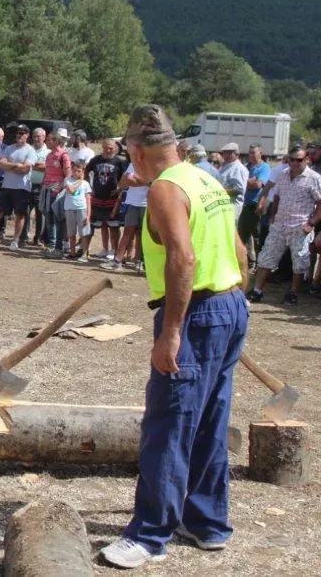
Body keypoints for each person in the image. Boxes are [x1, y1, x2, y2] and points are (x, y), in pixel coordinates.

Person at [101, 104, 247, 570]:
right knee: (208, 419)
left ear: (136, 150)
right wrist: (234, 303)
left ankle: (149, 534)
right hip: (228, 302)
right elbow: (241, 250)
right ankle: (207, 524)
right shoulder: (203, 179)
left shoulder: (166, 190)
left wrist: (172, 332)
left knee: (169, 422)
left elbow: (182, 259)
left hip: (196, 311)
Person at [247, 146, 321, 305]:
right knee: (266, 256)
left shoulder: (314, 178)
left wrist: (311, 223)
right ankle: (257, 290)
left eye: (298, 160)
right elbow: (278, 196)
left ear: (306, 159)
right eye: (291, 159)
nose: (294, 163)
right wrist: (273, 215)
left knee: (299, 261)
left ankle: (293, 292)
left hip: (300, 225)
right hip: (280, 224)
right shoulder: (282, 175)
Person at [0, 124, 37, 251]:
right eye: (18, 133)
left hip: (22, 188)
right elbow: (1, 164)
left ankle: (15, 241)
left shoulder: (30, 151)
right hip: (7, 186)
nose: (19, 135)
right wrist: (17, 165)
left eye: (22, 133)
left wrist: (11, 166)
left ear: (27, 135)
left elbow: (26, 169)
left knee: (20, 215)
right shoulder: (9, 148)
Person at [102, 161, 148, 271]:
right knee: (128, 233)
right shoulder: (133, 163)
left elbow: (153, 182)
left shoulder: (151, 161)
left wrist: (134, 180)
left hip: (147, 203)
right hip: (132, 202)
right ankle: (117, 261)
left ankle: (139, 261)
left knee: (143, 234)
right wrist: (144, 181)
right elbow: (123, 182)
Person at [86, 140, 127, 259]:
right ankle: (105, 249)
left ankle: (114, 250)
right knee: (102, 224)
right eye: (106, 148)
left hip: (113, 198)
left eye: (111, 148)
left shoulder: (120, 161)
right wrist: (88, 186)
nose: (108, 150)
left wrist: (120, 188)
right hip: (98, 197)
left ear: (115, 148)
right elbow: (86, 170)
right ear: (102, 147)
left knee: (114, 225)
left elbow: (126, 176)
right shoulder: (96, 160)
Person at [238, 143, 270, 271]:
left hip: (256, 206)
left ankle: (255, 264)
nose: (251, 155)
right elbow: (249, 183)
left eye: (253, 152)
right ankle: (249, 261)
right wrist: (249, 182)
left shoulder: (264, 168)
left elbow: (258, 185)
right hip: (244, 205)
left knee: (256, 235)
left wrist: (244, 183)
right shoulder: (246, 167)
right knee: (245, 235)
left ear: (260, 153)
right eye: (250, 152)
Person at [40, 129, 71, 257]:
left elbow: (68, 174)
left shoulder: (63, 155)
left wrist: (60, 188)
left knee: (57, 218)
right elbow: (47, 172)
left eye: (48, 139)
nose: (46, 141)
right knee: (48, 217)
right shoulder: (49, 155)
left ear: (55, 141)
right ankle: (51, 246)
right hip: (46, 189)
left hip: (56, 191)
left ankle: (58, 248)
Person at [21, 127, 50, 245]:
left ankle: (38, 238)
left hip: (41, 186)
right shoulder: (28, 149)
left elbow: (46, 167)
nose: (37, 138)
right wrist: (36, 165)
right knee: (25, 212)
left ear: (44, 137)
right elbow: (24, 164)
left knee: (40, 213)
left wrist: (32, 164)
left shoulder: (48, 152)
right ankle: (23, 237)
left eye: (39, 136)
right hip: (27, 184)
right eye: (35, 136)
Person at [62, 161, 91, 261]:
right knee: (71, 232)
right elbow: (71, 190)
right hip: (69, 209)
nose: (76, 173)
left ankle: (84, 254)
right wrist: (80, 180)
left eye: (79, 171)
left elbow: (88, 200)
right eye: (74, 170)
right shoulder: (67, 180)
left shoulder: (86, 184)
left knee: (83, 233)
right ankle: (72, 253)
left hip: (81, 209)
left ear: (83, 171)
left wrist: (88, 216)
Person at [216, 143, 248, 221]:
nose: (226, 155)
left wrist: (219, 191)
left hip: (232, 206)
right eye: (224, 153)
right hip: (223, 205)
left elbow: (239, 190)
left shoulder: (238, 169)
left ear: (236, 154)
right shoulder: (225, 166)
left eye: (229, 153)